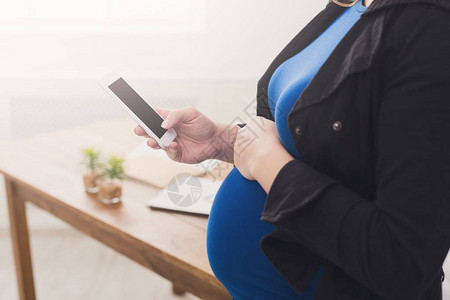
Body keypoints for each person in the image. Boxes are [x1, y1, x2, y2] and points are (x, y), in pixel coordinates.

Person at [134, 0, 450, 298]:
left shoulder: (431, 28)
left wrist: (264, 161)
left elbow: (400, 261)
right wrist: (222, 140)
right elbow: (324, 144)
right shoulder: (352, 5)